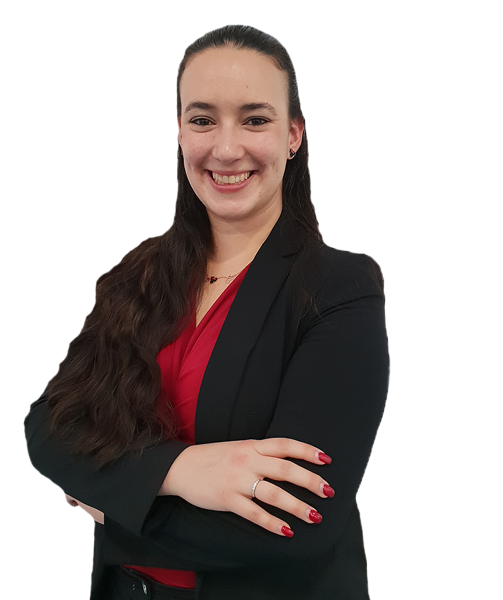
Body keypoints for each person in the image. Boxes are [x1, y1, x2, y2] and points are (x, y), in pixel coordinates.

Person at [24, 24, 389, 600]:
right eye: (203, 120)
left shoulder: (339, 287)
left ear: (293, 134)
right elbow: (49, 427)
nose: (226, 148)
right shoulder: (140, 272)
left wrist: (112, 506)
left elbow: (296, 524)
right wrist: (178, 471)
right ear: (179, 131)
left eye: (255, 119)